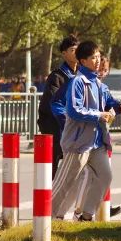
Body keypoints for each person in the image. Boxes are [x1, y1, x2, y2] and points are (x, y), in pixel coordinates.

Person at [50, 41, 116, 222]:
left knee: (105, 176)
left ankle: (86, 216)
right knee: (66, 183)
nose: (97, 61)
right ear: (82, 61)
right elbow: (74, 110)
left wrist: (114, 109)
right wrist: (98, 115)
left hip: (97, 142)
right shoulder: (77, 82)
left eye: (98, 57)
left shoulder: (97, 83)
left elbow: (107, 104)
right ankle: (47, 218)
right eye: (92, 58)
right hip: (78, 143)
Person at [37, 36, 78, 178]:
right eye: (72, 50)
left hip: (72, 129)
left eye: (78, 50)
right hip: (56, 129)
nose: (76, 53)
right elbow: (51, 105)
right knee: (51, 173)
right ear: (64, 54)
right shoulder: (57, 77)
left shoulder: (79, 76)